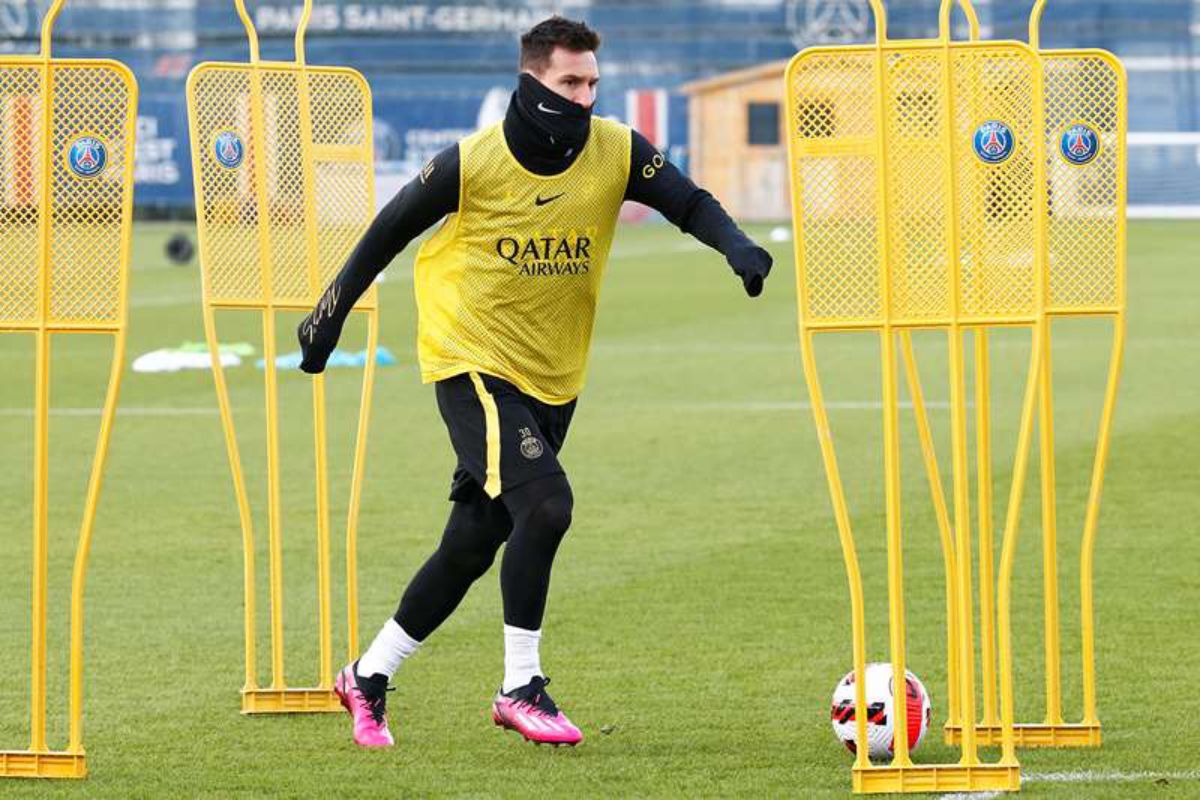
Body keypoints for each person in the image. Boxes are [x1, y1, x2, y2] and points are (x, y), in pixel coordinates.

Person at [298, 15, 773, 749]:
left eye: (592, 82)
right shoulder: (474, 162)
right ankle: (521, 685)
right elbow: (386, 231)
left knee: (475, 539)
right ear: (532, 81)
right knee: (547, 506)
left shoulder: (616, 149)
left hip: (553, 375)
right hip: (470, 359)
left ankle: (368, 674)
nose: (585, 97)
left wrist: (736, 245)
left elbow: (688, 201)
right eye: (570, 82)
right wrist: (328, 317)